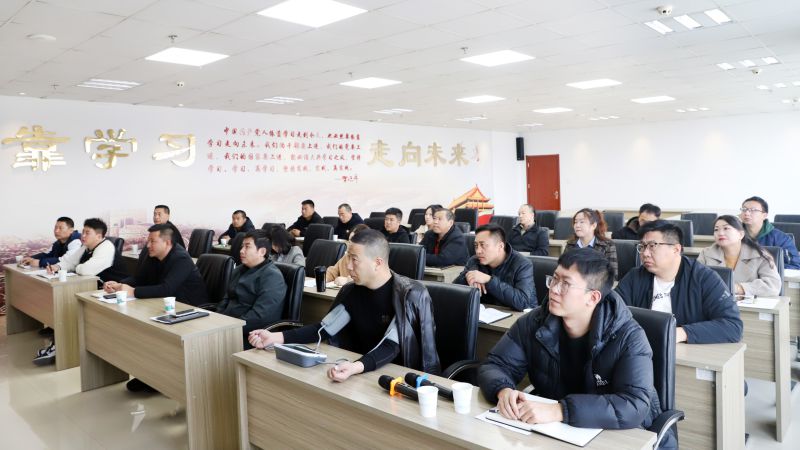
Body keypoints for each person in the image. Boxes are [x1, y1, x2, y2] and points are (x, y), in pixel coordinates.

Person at [478, 249, 674, 448]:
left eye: (566, 284)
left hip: (622, 434)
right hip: (558, 431)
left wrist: (559, 410)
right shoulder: (534, 322)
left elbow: (633, 405)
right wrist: (502, 390)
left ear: (593, 297)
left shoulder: (629, 337)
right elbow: (496, 364)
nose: (554, 289)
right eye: (554, 279)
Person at [249, 230, 440, 382]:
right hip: (360, 371)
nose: (348, 266)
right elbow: (324, 329)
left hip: (397, 378)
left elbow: (391, 346)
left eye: (354, 259)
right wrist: (275, 337)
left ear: (377, 263)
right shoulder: (351, 291)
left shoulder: (408, 295)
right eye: (347, 258)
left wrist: (355, 367)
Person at [103, 224, 209, 393]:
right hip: (165, 304)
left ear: (167, 243)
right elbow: (140, 278)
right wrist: (120, 285)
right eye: (148, 241)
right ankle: (151, 375)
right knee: (142, 331)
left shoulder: (181, 258)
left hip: (189, 307)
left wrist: (133, 292)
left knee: (153, 333)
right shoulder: (154, 256)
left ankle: (160, 379)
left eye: (152, 241)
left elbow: (167, 288)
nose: (148, 245)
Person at [615, 220, 743, 344]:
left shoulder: (704, 278)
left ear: (676, 249)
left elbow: (733, 326)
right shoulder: (635, 277)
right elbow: (612, 312)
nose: (645, 253)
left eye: (652, 246)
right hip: (641, 348)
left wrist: (680, 333)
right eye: (642, 246)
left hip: (686, 351)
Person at [32, 218, 127, 366]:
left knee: (68, 305)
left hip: (111, 291)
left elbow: (86, 270)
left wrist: (75, 267)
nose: (83, 235)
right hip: (93, 288)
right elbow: (70, 261)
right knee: (65, 302)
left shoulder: (106, 247)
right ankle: (60, 345)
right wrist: (58, 267)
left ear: (99, 236)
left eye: (87, 233)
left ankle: (60, 347)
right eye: (83, 232)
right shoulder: (86, 247)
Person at [216, 231, 287, 346]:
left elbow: (260, 316)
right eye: (242, 246)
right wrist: (216, 319)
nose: (241, 251)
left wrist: (228, 327)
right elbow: (226, 299)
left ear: (262, 252)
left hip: (250, 334)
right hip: (227, 326)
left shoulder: (272, 276)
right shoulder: (239, 270)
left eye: (247, 247)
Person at [454, 223, 536, 310]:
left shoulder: (523, 264)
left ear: (500, 246)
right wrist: (468, 276)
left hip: (520, 315)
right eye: (476, 245)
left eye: (483, 245)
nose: (478, 251)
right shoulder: (474, 261)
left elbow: (523, 302)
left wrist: (489, 280)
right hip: (487, 313)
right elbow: (455, 291)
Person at [697, 215, 781, 297]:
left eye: (726, 228)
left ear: (741, 234)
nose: (720, 233)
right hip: (714, 303)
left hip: (750, 304)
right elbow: (695, 280)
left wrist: (738, 288)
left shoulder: (760, 255)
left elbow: (773, 286)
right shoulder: (706, 254)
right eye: (716, 230)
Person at [739, 196, 800, 269]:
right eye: (744, 209)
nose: (746, 213)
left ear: (764, 215)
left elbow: (794, 265)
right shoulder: (733, 234)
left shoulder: (781, 238)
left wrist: (765, 268)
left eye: (753, 210)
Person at [565, 208, 618, 279]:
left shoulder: (607, 245)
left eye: (582, 222)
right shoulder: (570, 244)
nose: (577, 225)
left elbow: (612, 274)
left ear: (593, 225)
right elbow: (563, 268)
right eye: (575, 222)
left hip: (597, 284)